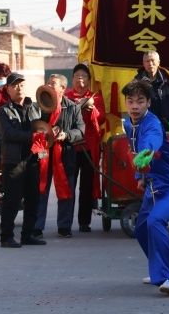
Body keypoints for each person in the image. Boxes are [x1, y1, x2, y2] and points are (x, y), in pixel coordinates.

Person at [122, 79, 169, 297]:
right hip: (153, 187)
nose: (135, 106)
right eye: (130, 101)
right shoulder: (128, 124)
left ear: (148, 103)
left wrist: (147, 152)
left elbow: (150, 141)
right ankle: (158, 271)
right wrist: (140, 175)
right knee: (141, 228)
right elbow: (135, 151)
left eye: (140, 101)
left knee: (155, 221)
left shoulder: (153, 123)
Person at [0, 72, 46, 248]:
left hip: (33, 159)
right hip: (14, 162)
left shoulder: (35, 108)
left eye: (22, 84)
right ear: (8, 89)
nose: (19, 88)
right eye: (15, 85)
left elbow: (42, 130)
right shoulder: (3, 111)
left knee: (33, 199)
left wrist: (42, 155)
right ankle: (6, 237)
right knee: (12, 200)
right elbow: (9, 134)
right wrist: (31, 137)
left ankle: (27, 234)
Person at [34, 73, 85, 238]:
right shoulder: (40, 105)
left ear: (63, 88)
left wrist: (67, 135)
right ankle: (36, 225)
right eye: (48, 83)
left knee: (66, 190)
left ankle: (64, 226)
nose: (49, 86)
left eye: (53, 84)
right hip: (43, 152)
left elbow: (81, 131)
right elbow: (33, 125)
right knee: (40, 188)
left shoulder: (72, 107)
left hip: (65, 154)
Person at [65, 63, 105, 232]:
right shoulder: (65, 96)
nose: (79, 78)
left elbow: (102, 118)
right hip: (70, 147)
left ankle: (84, 222)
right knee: (68, 185)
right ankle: (65, 222)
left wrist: (92, 109)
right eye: (76, 76)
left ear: (89, 80)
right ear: (72, 79)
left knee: (86, 186)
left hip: (89, 147)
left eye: (83, 76)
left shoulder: (95, 97)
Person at [134, 50, 169, 131]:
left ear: (158, 62)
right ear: (143, 64)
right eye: (147, 61)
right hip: (145, 129)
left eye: (152, 60)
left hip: (167, 127)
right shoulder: (136, 84)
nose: (150, 64)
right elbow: (133, 106)